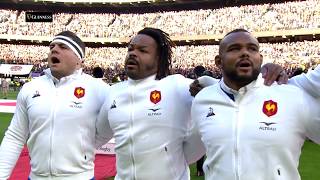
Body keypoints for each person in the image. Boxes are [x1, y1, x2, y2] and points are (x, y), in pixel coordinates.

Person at [96, 27, 287, 180]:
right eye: (130, 49)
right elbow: (98, 136)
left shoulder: (178, 86)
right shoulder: (114, 92)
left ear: (159, 58)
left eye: (142, 50)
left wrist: (266, 69)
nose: (133, 53)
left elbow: (234, 88)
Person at [191, 29, 320, 180]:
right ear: (219, 61)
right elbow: (191, 150)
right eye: (235, 48)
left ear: (260, 58)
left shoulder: (292, 96)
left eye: (252, 49)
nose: (245, 53)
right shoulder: (203, 100)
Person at [0, 31, 109, 180]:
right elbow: (15, 137)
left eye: (63, 47)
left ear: (79, 60)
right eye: (52, 46)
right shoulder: (30, 88)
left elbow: (113, 128)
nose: (54, 49)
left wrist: (85, 148)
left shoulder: (99, 89)